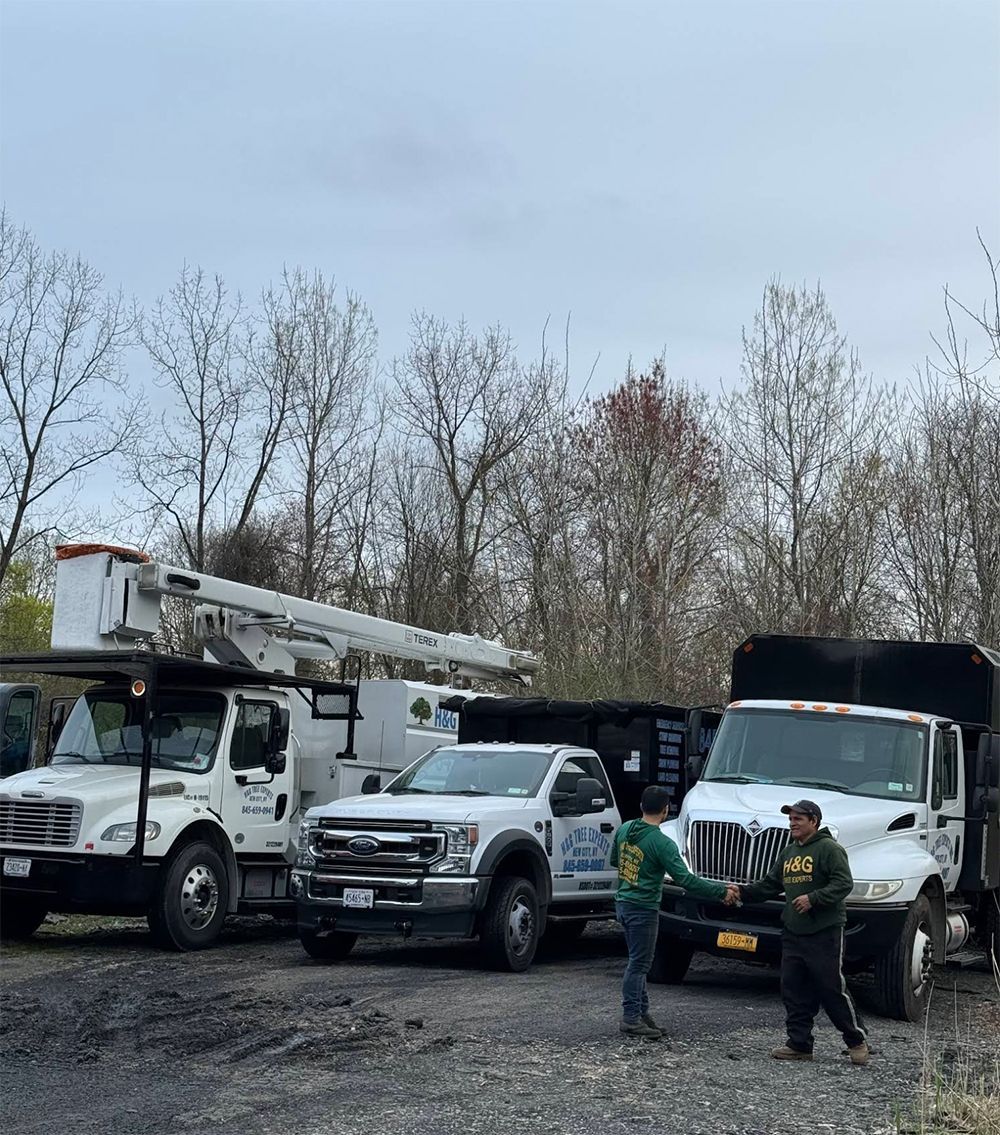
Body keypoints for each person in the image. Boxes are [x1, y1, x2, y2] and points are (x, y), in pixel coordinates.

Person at [739, 799, 869, 1065]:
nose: (792, 823)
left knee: (831, 988)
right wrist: (740, 893)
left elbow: (844, 883)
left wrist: (814, 898)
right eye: (790, 819)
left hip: (825, 930)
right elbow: (769, 885)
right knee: (793, 988)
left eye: (798, 818)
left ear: (814, 821)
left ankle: (856, 1041)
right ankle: (799, 1044)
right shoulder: (788, 853)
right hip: (793, 931)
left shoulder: (829, 849)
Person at [610, 784, 738, 1038]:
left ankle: (641, 1013)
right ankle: (631, 1017)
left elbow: (615, 860)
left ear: (641, 806)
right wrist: (720, 891)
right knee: (639, 964)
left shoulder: (625, 829)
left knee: (639, 962)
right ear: (666, 810)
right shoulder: (662, 842)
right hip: (644, 907)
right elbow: (685, 879)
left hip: (623, 903)